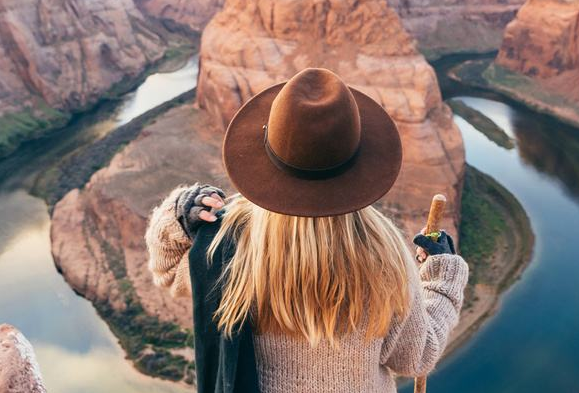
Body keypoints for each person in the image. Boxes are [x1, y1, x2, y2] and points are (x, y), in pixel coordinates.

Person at [145, 68, 469, 393]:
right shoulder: (384, 259)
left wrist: (177, 213)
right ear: (359, 164)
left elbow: (168, 271)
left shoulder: (230, 247)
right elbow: (416, 357)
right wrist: (443, 279)